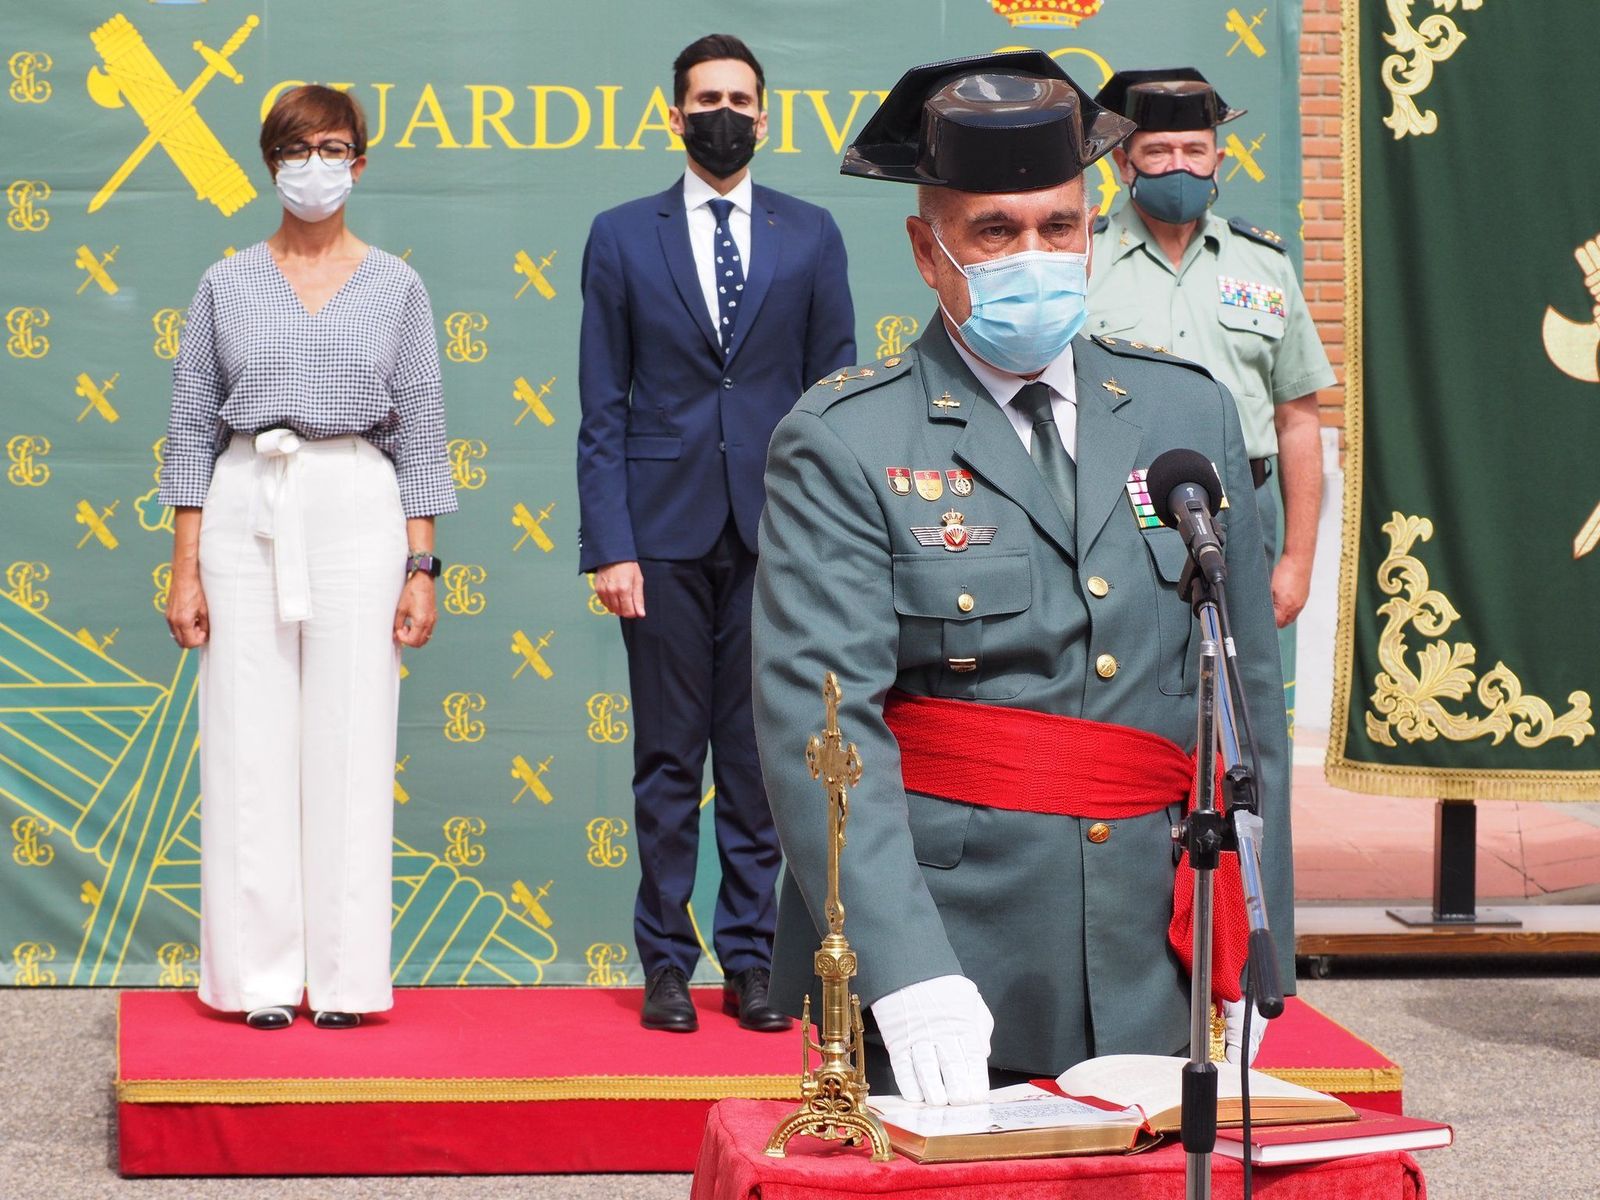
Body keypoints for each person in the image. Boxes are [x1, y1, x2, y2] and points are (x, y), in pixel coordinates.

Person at [752, 51, 1292, 1105]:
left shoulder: (1187, 416)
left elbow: (1246, 705)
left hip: (1157, 954)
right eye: (995, 232)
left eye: (1060, 226)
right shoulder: (847, 440)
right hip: (960, 956)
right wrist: (902, 971)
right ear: (927, 249)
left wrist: (1255, 944)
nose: (1033, 255)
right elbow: (822, 733)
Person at [576, 34, 856, 1034]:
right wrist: (607, 545)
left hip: (777, 537)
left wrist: (830, 542)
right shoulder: (620, 236)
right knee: (666, 759)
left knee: (753, 762)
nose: (724, 112)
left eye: (741, 97)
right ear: (674, 115)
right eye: (706, 98)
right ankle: (663, 962)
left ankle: (748, 962)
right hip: (656, 535)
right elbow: (601, 407)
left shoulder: (812, 235)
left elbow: (836, 398)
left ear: (767, 115)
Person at [160, 85, 455, 1030]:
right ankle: (256, 979)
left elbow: (423, 434)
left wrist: (422, 565)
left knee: (352, 738)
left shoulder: (399, 286)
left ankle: (346, 979)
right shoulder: (225, 283)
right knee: (247, 741)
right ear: (270, 163)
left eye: (333, 148)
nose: (315, 165)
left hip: (357, 505)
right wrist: (185, 566)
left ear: (360, 163)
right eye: (297, 149)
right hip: (249, 501)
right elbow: (188, 433)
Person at [1087, 68, 1335, 632]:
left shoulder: (1264, 264)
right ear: (1123, 163)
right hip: (1116, 510)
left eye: (1195, 150)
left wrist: (1298, 560)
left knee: (1244, 695)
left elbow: (1297, 420)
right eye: (1159, 151)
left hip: (1245, 510)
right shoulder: (1084, 261)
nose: (1180, 166)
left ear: (1218, 162)